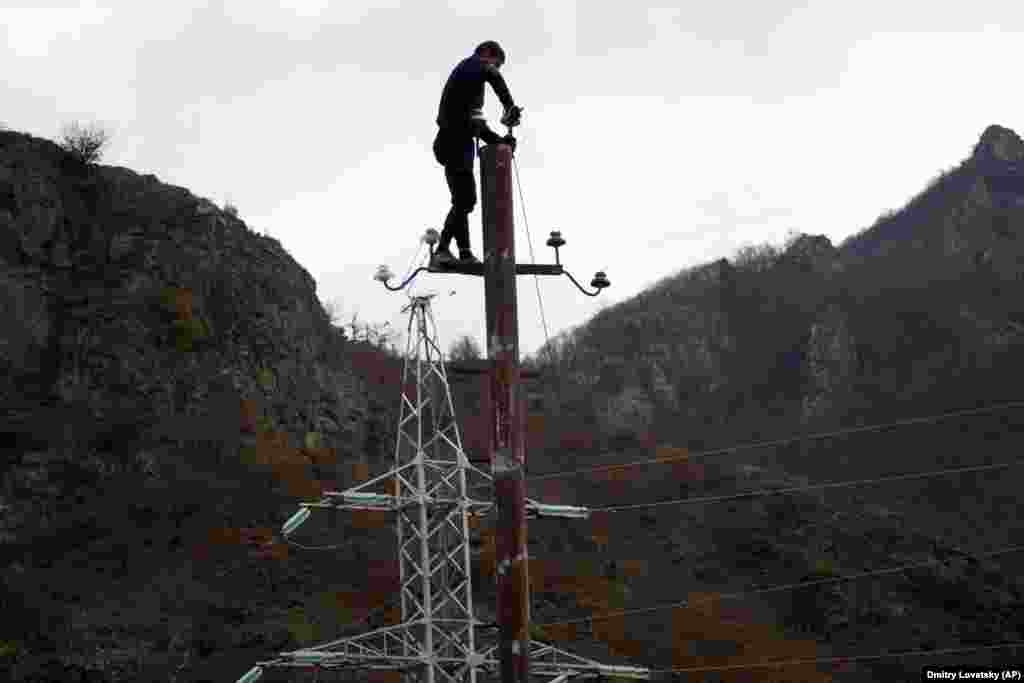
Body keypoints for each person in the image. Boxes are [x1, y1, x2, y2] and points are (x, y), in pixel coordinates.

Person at [431, 40, 521, 267]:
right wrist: (509, 106)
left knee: (462, 201)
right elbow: (493, 76)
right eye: (497, 64)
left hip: (456, 142)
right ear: (488, 54)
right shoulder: (472, 66)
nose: (496, 70)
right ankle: (442, 249)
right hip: (454, 142)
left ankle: (464, 252)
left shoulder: (469, 87)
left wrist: (502, 142)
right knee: (466, 199)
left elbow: (478, 128)